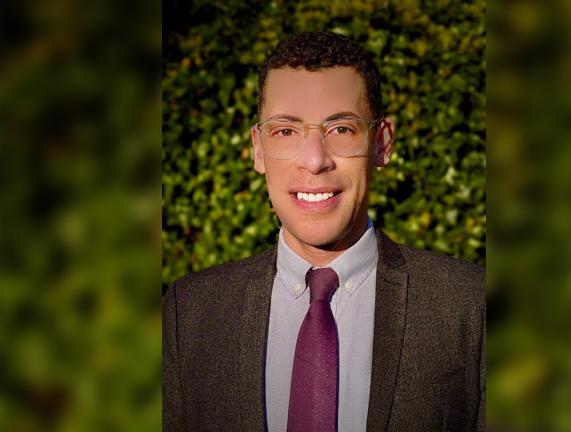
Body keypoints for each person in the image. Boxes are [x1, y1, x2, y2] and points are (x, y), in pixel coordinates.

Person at [163, 31, 485, 432]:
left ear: (382, 143)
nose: (314, 161)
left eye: (342, 129)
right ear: (258, 149)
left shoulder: (471, 306)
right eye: (285, 131)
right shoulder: (189, 312)